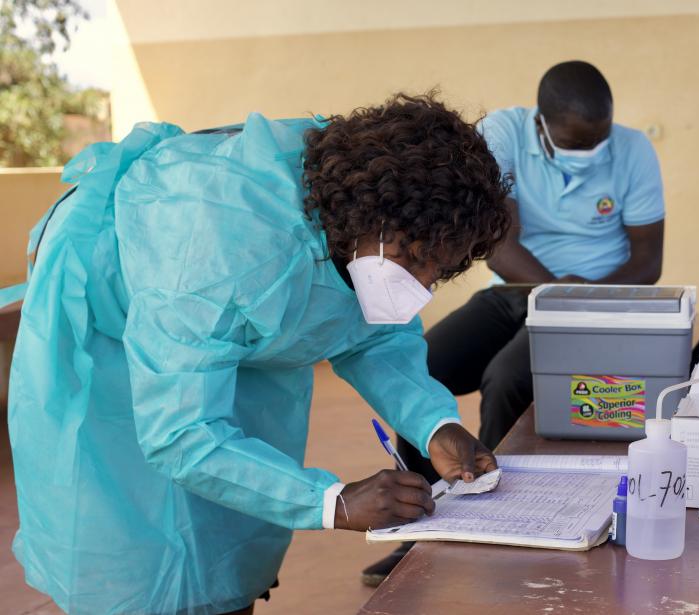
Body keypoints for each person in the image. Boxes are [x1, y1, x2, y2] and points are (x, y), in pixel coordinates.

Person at [7, 93, 511, 614]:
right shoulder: (221, 247)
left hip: (217, 319)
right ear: (373, 215)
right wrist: (333, 502)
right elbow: (180, 434)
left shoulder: (370, 230)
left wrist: (435, 426)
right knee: (130, 544)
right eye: (415, 261)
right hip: (107, 333)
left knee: (230, 527)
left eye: (439, 268)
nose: (422, 283)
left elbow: (374, 335)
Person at [364, 60, 665, 584]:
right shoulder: (502, 133)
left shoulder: (634, 149)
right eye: (572, 143)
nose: (587, 152)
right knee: (421, 371)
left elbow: (648, 262)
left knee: (505, 378)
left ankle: (501, 525)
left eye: (597, 140)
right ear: (541, 125)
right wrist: (555, 293)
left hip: (596, 304)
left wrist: (577, 301)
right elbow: (498, 243)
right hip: (517, 289)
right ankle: (418, 528)